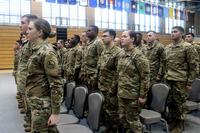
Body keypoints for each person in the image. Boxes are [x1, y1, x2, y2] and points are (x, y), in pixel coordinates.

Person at [26, 18, 63, 133]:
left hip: (42, 106)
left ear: (40, 32)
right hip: (36, 103)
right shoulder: (36, 50)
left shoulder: (47, 52)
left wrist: (56, 112)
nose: (26, 31)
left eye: (30, 28)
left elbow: (56, 83)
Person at [162, 26, 199, 133]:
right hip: (169, 79)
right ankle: (173, 121)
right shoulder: (168, 47)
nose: (172, 33)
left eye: (175, 32)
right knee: (170, 103)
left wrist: (190, 82)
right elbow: (164, 63)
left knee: (180, 104)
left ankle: (180, 124)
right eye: (171, 31)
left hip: (181, 80)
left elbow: (194, 66)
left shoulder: (188, 47)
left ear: (181, 34)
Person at [117, 30, 150, 133]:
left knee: (133, 121)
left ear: (132, 39)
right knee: (123, 118)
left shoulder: (138, 55)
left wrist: (142, 96)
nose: (122, 38)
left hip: (133, 95)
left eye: (125, 36)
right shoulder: (122, 53)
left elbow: (145, 77)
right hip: (122, 92)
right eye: (121, 36)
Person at [97, 29, 123, 132]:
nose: (102, 38)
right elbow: (100, 67)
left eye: (105, 36)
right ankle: (109, 127)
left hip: (112, 88)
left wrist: (112, 88)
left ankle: (115, 129)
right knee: (105, 109)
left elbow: (119, 73)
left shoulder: (118, 52)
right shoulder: (104, 50)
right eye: (102, 36)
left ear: (112, 37)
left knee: (113, 111)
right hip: (102, 85)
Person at [16, 14, 38, 132]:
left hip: (33, 85)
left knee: (33, 107)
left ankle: (32, 123)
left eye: (23, 23)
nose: (20, 25)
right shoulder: (27, 43)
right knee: (27, 104)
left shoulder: (36, 45)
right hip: (25, 82)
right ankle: (30, 121)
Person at [79, 25, 104, 90]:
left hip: (93, 74)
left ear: (95, 32)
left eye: (89, 30)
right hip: (86, 73)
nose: (87, 32)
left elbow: (101, 60)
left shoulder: (98, 42)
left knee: (93, 93)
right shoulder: (89, 42)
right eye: (87, 30)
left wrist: (97, 75)